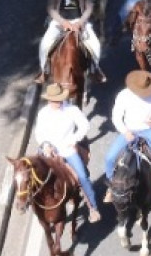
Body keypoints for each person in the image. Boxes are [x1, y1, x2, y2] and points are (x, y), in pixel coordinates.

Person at [103, 69, 151, 203]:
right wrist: (125, 131)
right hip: (129, 130)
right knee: (109, 158)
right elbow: (116, 116)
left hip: (148, 130)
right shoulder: (123, 96)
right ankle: (111, 187)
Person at [36, 83, 102, 222]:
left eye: (59, 99)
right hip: (49, 150)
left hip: (67, 149)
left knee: (83, 176)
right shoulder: (43, 113)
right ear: (49, 100)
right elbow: (39, 132)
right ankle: (34, 203)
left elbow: (85, 125)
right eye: (54, 100)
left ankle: (93, 208)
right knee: (35, 175)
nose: (57, 103)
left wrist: (74, 139)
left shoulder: (72, 110)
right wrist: (45, 145)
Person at [38, 0, 102, 82]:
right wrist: (63, 22)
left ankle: (94, 69)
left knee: (95, 44)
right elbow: (51, 8)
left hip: (79, 21)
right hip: (59, 21)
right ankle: (44, 70)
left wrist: (80, 22)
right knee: (44, 44)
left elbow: (89, 8)